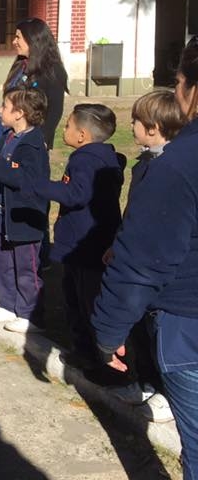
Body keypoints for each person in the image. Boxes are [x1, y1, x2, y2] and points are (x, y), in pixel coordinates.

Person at [93, 47, 198, 470]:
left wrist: (109, 330)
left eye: (179, 82)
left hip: (188, 326)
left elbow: (144, 260)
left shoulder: (177, 166)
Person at [101, 89, 185, 420]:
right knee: (139, 324)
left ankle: (165, 392)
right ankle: (144, 381)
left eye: (135, 121)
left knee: (159, 332)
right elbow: (134, 212)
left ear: (153, 127)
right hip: (136, 251)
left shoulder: (171, 168)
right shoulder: (145, 162)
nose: (130, 126)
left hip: (161, 266)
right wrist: (120, 244)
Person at [35, 105, 125, 351]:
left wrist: (42, 186)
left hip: (84, 245)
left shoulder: (85, 159)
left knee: (84, 301)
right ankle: (86, 349)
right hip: (93, 241)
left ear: (82, 135)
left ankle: (91, 355)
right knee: (79, 296)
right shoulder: (104, 156)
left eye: (67, 126)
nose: (64, 129)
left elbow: (77, 194)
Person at [0, 88, 50, 333]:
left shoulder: (32, 145)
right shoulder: (8, 137)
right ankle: (7, 304)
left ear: (19, 113)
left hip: (25, 216)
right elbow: (1, 167)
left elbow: (20, 178)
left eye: (4, 106)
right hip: (3, 213)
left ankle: (29, 313)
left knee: (26, 268)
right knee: (1, 261)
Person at [0, 17, 69, 149]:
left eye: (18, 37)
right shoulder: (20, 65)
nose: (14, 42)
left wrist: (42, 140)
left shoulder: (52, 71)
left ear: (33, 39)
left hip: (28, 141)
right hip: (7, 136)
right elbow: (10, 105)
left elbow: (54, 111)